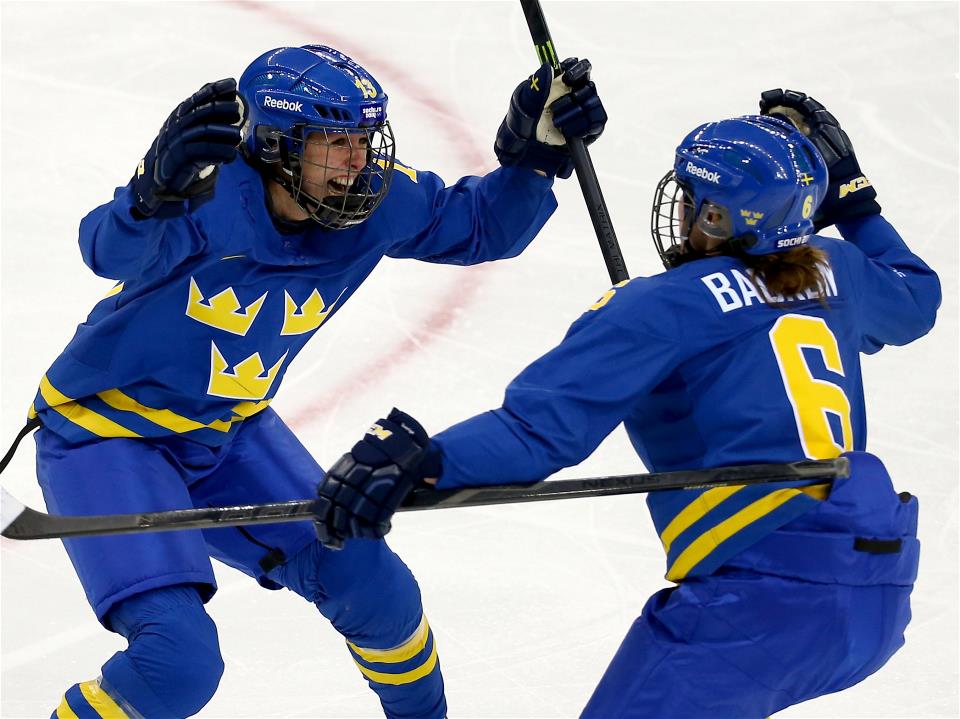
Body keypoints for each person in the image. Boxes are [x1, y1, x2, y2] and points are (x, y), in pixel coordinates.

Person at [23, 44, 607, 719]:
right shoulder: (205, 203)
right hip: (106, 437)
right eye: (336, 142)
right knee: (175, 662)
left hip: (227, 433)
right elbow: (106, 250)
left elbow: (479, 226)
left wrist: (536, 159)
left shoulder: (374, 203)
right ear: (275, 145)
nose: (360, 161)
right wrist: (149, 194)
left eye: (364, 138)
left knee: (377, 589)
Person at [314, 90, 942, 717]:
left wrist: (418, 464)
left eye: (696, 201)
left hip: (764, 604)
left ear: (720, 219)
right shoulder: (838, 267)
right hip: (879, 587)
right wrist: (855, 200)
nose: (685, 209)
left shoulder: (662, 306)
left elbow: (537, 434)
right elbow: (918, 299)